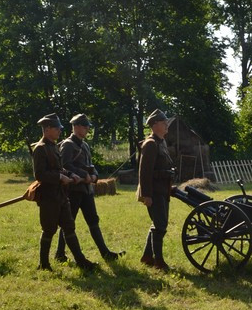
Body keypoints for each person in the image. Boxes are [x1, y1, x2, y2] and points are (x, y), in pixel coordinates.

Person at [31, 113, 98, 273]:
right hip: (48, 196)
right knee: (49, 229)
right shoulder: (40, 148)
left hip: (61, 194)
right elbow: (40, 174)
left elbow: (60, 167)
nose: (59, 131)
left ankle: (80, 260)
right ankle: (44, 264)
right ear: (47, 129)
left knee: (69, 226)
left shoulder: (53, 145)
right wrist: (60, 177)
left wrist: (70, 174)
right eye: (56, 128)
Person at [54, 113, 122, 263]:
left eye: (88, 126)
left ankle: (105, 252)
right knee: (68, 222)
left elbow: (91, 166)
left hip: (86, 190)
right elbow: (65, 166)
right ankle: (59, 253)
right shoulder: (68, 145)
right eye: (85, 126)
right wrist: (84, 175)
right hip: (73, 190)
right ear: (76, 126)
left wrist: (94, 176)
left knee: (93, 221)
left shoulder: (84, 145)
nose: (87, 129)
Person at [137, 109, 175, 271]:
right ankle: (159, 261)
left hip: (162, 190)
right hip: (153, 191)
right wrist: (146, 195)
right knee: (160, 226)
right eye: (163, 122)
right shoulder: (151, 144)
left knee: (158, 223)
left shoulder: (161, 142)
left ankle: (147, 257)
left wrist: (169, 173)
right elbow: (145, 173)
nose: (167, 124)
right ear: (154, 125)